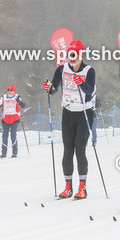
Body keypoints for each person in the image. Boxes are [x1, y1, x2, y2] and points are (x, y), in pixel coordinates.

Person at [44, 40, 96, 199]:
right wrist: (49, 88)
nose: (71, 58)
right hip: (68, 113)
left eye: (74, 54)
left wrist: (81, 83)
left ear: (81, 55)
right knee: (67, 150)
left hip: (84, 113)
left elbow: (89, 92)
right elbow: (54, 88)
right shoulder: (61, 69)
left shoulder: (89, 70)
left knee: (80, 149)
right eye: (69, 54)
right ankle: (68, 187)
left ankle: (82, 188)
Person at [0, 85, 26, 158]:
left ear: (14, 91)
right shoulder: (3, 97)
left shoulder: (17, 96)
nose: (10, 91)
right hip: (5, 119)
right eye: (8, 89)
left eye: (11, 90)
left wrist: (19, 101)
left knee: (13, 135)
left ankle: (14, 152)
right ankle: (4, 153)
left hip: (14, 119)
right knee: (4, 136)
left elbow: (23, 105)